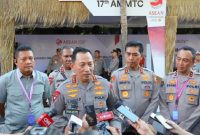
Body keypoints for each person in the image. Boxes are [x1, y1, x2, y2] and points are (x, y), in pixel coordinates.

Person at [50, 47, 121, 133]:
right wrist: (65, 127)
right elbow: (54, 114)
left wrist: (116, 126)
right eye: (82, 65)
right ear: (73, 66)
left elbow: (116, 107)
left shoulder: (105, 84)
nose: (87, 69)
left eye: (90, 64)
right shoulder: (63, 88)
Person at [111, 41, 159, 133]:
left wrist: (143, 121)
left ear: (141, 56)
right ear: (125, 55)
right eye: (128, 54)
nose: (131, 58)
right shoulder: (116, 75)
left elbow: (155, 99)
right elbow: (115, 102)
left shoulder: (150, 75)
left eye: (135, 54)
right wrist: (132, 119)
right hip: (125, 125)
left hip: (146, 125)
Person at [0, 45, 50, 134]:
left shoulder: (43, 78)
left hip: (38, 129)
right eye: (23, 59)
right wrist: (12, 118)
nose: (28, 62)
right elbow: (1, 104)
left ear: (34, 60)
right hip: (14, 130)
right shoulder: (5, 79)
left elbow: (45, 101)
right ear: (16, 61)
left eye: (31, 58)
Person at [159, 46, 200, 134]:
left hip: (190, 130)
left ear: (193, 62)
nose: (180, 63)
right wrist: (169, 124)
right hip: (169, 129)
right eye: (178, 59)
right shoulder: (167, 78)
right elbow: (162, 103)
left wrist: (182, 128)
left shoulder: (198, 80)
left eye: (185, 60)